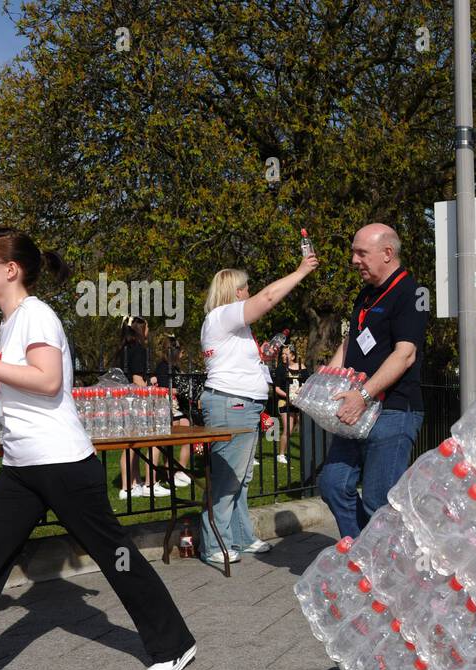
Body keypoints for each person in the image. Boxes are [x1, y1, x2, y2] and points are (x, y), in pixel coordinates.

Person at [0, 225, 197, 670]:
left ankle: (175, 644)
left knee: (117, 557)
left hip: (64, 465)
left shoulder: (36, 315)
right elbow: (22, 387)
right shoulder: (9, 324)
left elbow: (49, 382)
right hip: (22, 469)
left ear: (10, 270)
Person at [200, 252, 317, 567]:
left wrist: (263, 354)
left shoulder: (234, 328)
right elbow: (268, 297)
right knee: (228, 478)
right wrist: (301, 271)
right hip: (231, 402)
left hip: (242, 403)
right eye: (245, 287)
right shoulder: (223, 315)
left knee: (242, 476)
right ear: (235, 291)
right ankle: (215, 543)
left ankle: (240, 534)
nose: (249, 292)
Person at [318, 224, 428, 539]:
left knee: (379, 501)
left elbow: (405, 354)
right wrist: (328, 377)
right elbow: (352, 339)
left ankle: (376, 564)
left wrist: (363, 395)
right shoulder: (366, 293)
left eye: (361, 253)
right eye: (354, 252)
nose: (354, 260)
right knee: (333, 483)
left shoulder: (412, 293)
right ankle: (364, 552)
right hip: (358, 408)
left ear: (387, 253)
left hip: (392, 410)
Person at [116, 316, 167, 499]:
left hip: (122, 399)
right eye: (146, 328)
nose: (148, 332)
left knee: (132, 443)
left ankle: (133, 482)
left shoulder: (122, 350)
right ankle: (129, 487)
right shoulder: (139, 349)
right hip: (136, 402)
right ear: (140, 329)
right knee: (133, 444)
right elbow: (137, 379)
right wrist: (149, 392)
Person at [154, 335, 192, 487]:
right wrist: (181, 389)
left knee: (187, 432)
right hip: (167, 407)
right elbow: (164, 388)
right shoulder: (163, 367)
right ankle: (171, 472)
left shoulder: (175, 367)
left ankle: (179, 470)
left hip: (177, 408)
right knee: (168, 441)